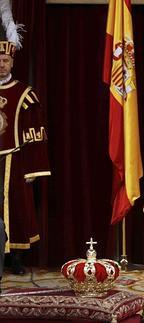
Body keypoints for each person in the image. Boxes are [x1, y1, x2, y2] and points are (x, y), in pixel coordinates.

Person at [0, 4, 51, 286]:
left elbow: (35, 133)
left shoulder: (24, 93)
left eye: (5, 60)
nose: (1, 64)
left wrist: (33, 169)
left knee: (15, 209)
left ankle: (14, 258)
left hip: (13, 161)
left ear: (12, 62)